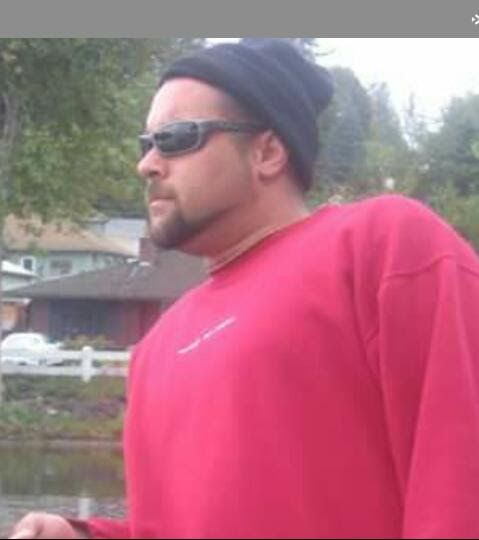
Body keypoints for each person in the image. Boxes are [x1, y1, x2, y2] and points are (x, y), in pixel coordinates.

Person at [10, 38, 479, 539]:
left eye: (176, 138)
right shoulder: (158, 346)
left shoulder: (381, 247)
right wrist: (83, 535)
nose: (147, 164)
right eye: (146, 144)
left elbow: (460, 479)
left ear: (267, 152)